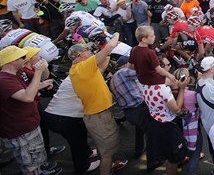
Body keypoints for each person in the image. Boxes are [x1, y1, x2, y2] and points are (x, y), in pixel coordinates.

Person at [68, 34, 127, 175]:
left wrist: (104, 50)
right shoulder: (83, 66)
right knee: (107, 153)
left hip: (96, 115)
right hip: (99, 116)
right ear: (80, 55)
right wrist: (114, 35)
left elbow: (101, 68)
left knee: (103, 148)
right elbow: (111, 46)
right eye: (86, 51)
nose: (89, 52)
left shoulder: (79, 70)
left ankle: (111, 165)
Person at [0, 46, 61, 175]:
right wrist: (38, 73)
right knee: (30, 166)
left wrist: (42, 83)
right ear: (11, 61)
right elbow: (27, 97)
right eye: (22, 57)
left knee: (36, 158)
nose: (25, 59)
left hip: (29, 124)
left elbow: (26, 89)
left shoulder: (18, 72)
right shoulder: (4, 80)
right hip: (20, 130)